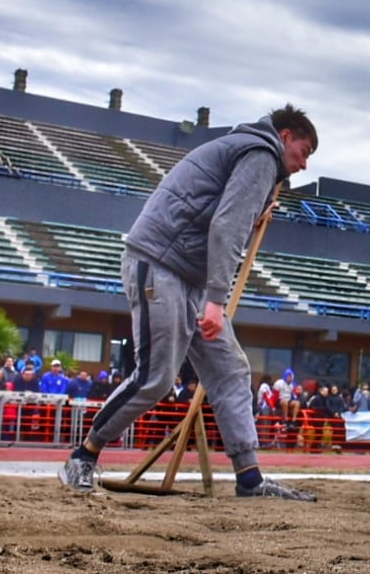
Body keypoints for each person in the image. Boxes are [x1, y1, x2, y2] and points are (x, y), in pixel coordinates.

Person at [59, 104, 318, 500]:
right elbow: (227, 225)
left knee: (231, 370)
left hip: (189, 273)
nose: (302, 165)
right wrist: (217, 299)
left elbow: (219, 209)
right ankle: (82, 456)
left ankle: (250, 478)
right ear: (284, 137)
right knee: (156, 377)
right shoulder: (261, 154)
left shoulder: (249, 154)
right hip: (160, 262)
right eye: (303, 152)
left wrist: (256, 211)